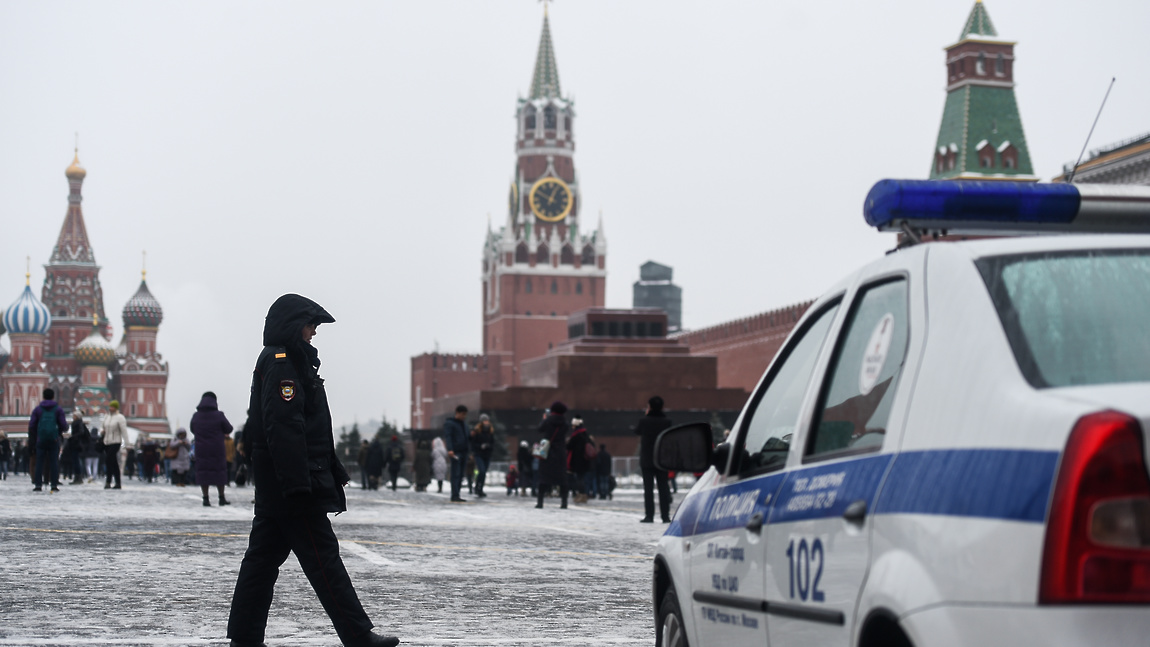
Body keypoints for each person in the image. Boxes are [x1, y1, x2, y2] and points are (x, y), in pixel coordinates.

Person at [226, 293, 398, 647]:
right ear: (294, 326)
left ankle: (243, 638)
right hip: (293, 487)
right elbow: (284, 427)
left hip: (281, 486)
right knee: (325, 562)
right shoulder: (283, 363)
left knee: (260, 563)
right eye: (310, 325)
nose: (314, 333)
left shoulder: (279, 360)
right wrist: (299, 484)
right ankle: (358, 635)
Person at [191, 391, 234, 507]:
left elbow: (192, 428)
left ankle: (205, 498)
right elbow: (229, 429)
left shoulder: (196, 416)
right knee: (219, 472)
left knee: (203, 472)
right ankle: (221, 498)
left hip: (201, 449)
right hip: (217, 449)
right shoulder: (219, 415)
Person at [635, 395, 673, 523]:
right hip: (662, 459)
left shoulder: (644, 421)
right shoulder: (667, 422)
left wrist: (646, 415)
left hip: (647, 460)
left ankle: (649, 515)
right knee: (663, 489)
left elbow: (637, 431)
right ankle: (665, 516)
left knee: (648, 489)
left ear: (649, 407)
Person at [30, 388, 68, 493]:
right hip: (54, 440)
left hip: (41, 440)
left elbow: (32, 425)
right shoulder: (58, 409)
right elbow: (64, 425)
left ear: (43, 396)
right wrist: (58, 432)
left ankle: (38, 484)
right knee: (54, 462)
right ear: (53, 396)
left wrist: (38, 434)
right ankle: (54, 484)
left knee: (39, 462)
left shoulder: (38, 409)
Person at [535, 401, 569, 509]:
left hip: (547, 451)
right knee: (562, 478)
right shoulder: (565, 423)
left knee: (544, 477)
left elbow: (539, 429)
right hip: (560, 452)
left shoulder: (548, 420)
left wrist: (544, 419)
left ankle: (540, 502)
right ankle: (564, 502)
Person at [443, 405, 469, 502]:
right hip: (456, 452)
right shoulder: (450, 424)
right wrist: (450, 449)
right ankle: (454, 495)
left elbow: (467, 437)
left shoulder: (464, 425)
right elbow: (448, 437)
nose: (464, 416)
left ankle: (457, 493)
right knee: (456, 473)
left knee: (461, 474)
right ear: (457, 413)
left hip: (464, 451)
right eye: (463, 414)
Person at [566, 415, 594, 504]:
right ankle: (583, 494)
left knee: (579, 479)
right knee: (582, 478)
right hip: (585, 460)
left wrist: (567, 442)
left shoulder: (576, 435)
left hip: (578, 461)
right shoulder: (585, 434)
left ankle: (581, 495)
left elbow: (569, 446)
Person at [102, 401, 127, 489]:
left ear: (116, 408)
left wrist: (127, 444)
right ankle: (114, 482)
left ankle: (110, 481)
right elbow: (103, 426)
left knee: (109, 459)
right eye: (110, 406)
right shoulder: (107, 417)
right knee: (112, 462)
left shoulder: (120, 418)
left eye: (112, 407)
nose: (110, 408)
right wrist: (102, 431)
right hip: (107, 442)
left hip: (116, 442)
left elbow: (124, 431)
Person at [469, 414, 494, 498]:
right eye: (485, 421)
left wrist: (488, 446)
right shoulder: (477, 431)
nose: (486, 422)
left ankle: (480, 488)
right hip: (479, 454)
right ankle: (478, 487)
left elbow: (493, 443)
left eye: (487, 420)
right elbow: (473, 443)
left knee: (483, 473)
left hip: (487, 454)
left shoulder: (490, 432)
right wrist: (480, 446)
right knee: (482, 471)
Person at [67, 410, 90, 485]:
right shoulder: (78, 423)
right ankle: (78, 476)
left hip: (76, 444)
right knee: (76, 460)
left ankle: (78, 476)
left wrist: (73, 437)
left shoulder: (78, 423)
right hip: (76, 444)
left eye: (74, 416)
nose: (73, 417)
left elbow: (81, 432)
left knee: (76, 460)